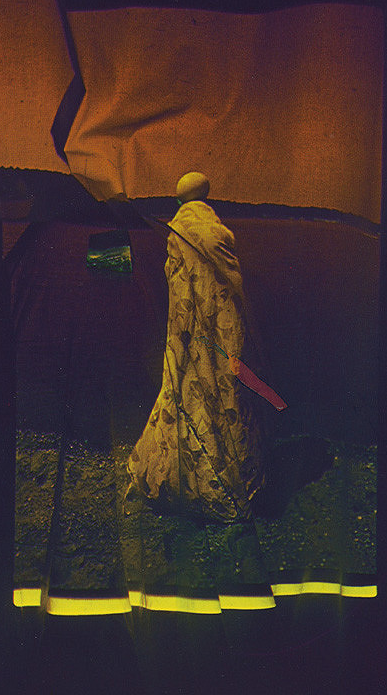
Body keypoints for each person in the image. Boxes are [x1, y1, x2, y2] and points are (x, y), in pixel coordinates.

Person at [127, 172, 266, 522]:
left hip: (186, 327)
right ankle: (229, 480)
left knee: (185, 388)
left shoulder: (176, 231)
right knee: (225, 391)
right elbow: (233, 282)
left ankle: (183, 478)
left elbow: (175, 282)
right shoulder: (219, 233)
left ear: (180, 198)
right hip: (221, 325)